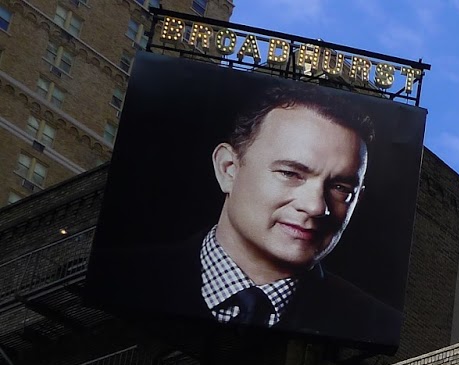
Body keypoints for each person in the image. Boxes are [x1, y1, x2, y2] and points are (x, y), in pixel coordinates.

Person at [98, 79, 400, 342]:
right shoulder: (116, 277)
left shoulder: (379, 325)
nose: (315, 206)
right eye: (290, 173)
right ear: (228, 168)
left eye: (341, 188)